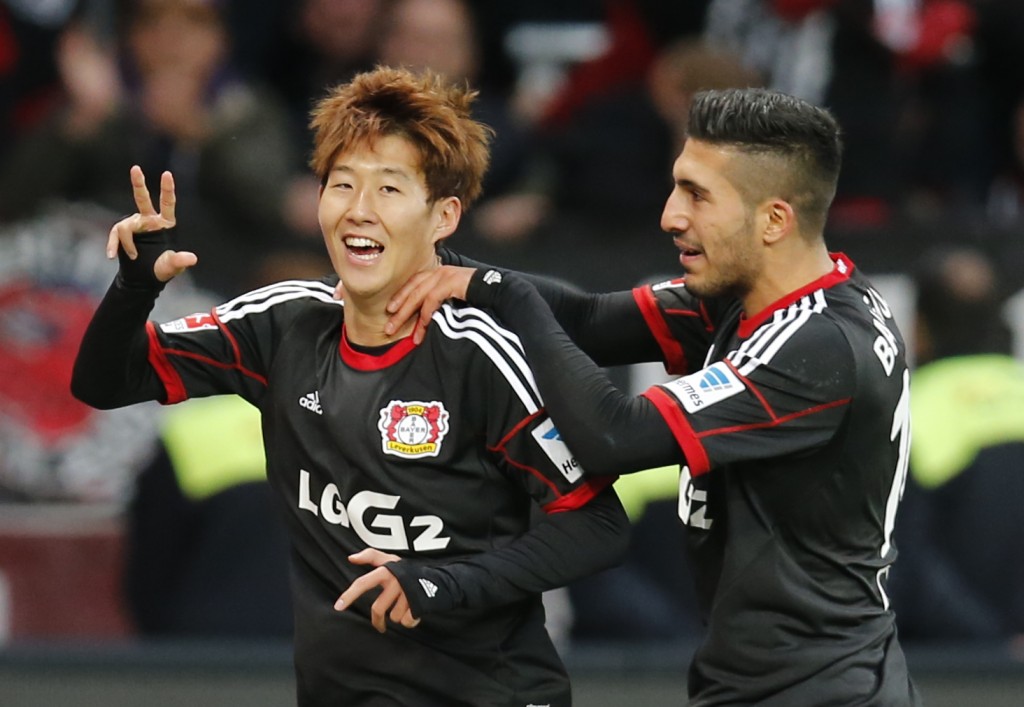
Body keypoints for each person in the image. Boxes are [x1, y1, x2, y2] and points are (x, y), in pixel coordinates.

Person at [70, 66, 628, 707]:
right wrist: (134, 288)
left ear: (443, 216)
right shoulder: (283, 325)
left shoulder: (480, 356)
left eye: (389, 188)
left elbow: (597, 525)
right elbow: (105, 382)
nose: (358, 210)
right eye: (341, 185)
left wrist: (439, 585)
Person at [383, 87, 921, 704]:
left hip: (820, 692)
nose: (670, 215)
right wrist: (429, 254)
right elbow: (583, 320)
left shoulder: (818, 346)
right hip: (775, 680)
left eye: (697, 195)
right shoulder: (760, 296)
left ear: (774, 219)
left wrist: (503, 293)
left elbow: (613, 436)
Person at [889, 247, 1024, 644]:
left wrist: (994, 644)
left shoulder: (905, 413)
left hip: (953, 665)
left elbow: (903, 561)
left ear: (919, 329)